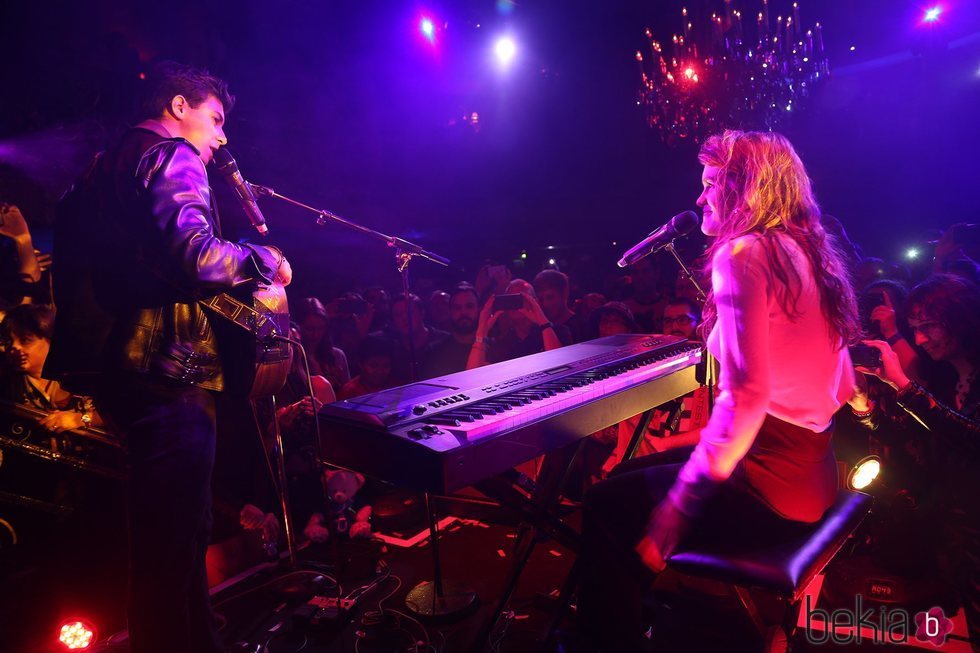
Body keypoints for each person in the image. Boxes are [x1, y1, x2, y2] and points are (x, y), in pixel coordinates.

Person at [577, 130, 859, 650]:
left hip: (768, 487)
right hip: (811, 474)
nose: (700, 198)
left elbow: (747, 398)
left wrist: (676, 510)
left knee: (602, 502)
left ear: (744, 190)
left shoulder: (744, 253)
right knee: (629, 476)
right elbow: (842, 380)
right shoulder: (805, 251)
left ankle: (602, 638)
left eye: (710, 184)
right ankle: (631, 617)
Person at [45, 61, 290, 653]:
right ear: (179, 107)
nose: (221, 137)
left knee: (170, 530)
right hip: (169, 369)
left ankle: (197, 638)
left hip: (122, 369)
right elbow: (197, 256)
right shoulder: (170, 153)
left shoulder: (103, 168)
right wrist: (262, 258)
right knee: (174, 536)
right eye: (216, 118)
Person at [850, 274, 979, 645]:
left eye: (929, 327)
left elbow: (972, 438)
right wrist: (864, 410)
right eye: (914, 328)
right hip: (958, 543)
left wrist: (905, 388)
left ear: (963, 317)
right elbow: (916, 445)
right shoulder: (945, 378)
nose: (920, 339)